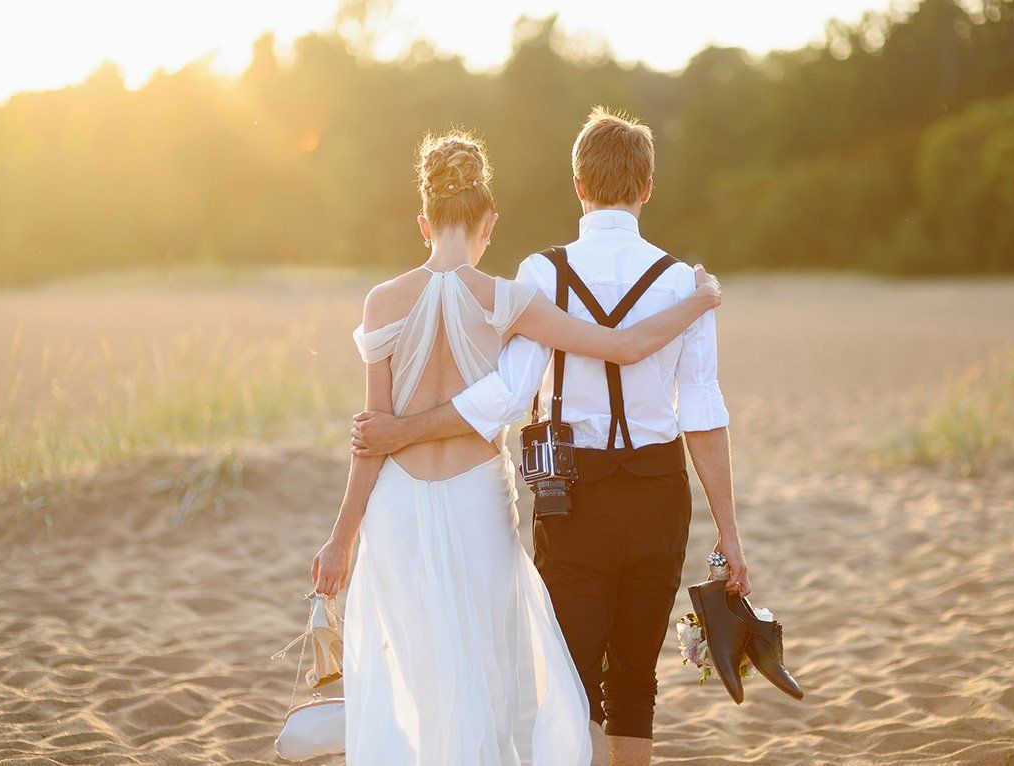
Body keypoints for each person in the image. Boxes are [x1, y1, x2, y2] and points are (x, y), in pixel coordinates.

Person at [310, 129, 723, 765]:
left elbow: (388, 434)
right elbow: (642, 365)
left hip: (459, 500)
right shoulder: (519, 296)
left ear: (424, 222)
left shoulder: (403, 297)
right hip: (538, 495)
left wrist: (342, 535)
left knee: (431, 669)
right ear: (489, 222)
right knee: (525, 670)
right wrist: (698, 302)